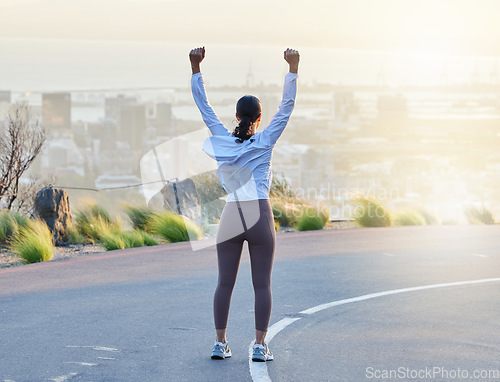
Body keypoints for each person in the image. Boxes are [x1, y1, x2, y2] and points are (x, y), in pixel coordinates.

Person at [190, 46, 299, 362]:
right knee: (261, 285)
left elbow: (204, 106)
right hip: (259, 214)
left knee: (224, 283)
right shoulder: (265, 140)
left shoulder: (221, 139)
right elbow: (287, 107)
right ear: (259, 118)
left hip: (231, 216)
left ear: (236, 117)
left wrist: (196, 68)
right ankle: (259, 346)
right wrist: (292, 68)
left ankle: (220, 343)